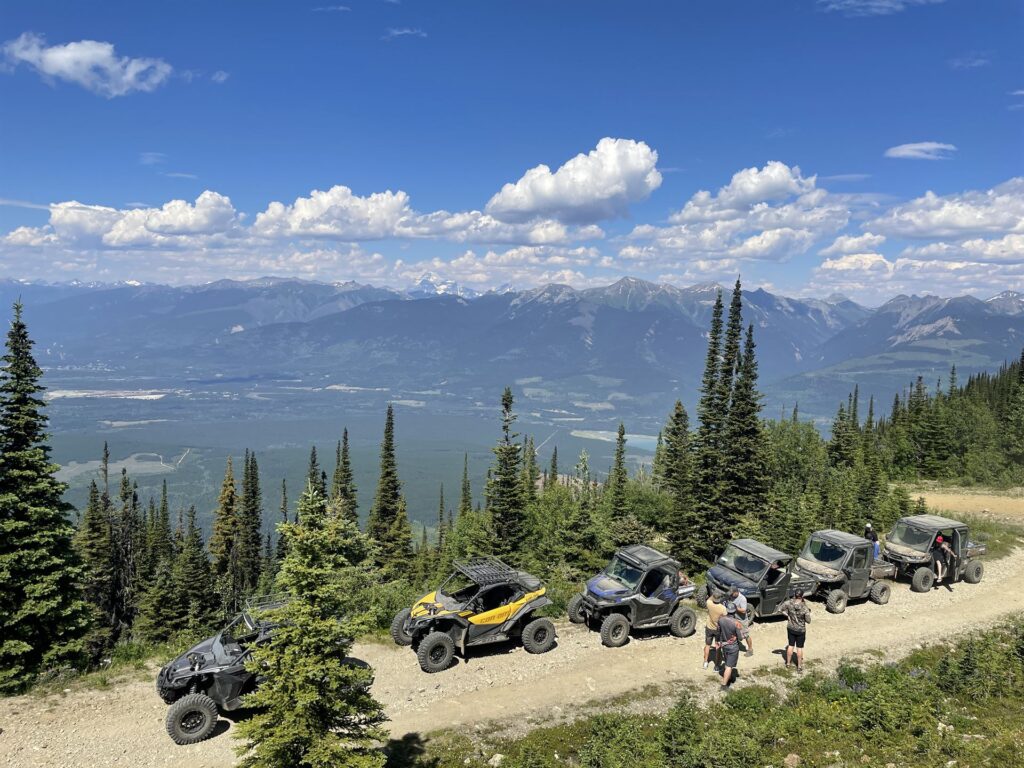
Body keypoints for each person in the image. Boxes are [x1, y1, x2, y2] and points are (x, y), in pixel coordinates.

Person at [715, 601, 749, 689]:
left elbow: (718, 632)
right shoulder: (736, 623)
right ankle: (724, 685)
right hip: (733, 647)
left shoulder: (721, 619)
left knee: (727, 663)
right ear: (735, 612)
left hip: (724, 645)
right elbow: (741, 638)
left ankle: (729, 677)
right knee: (729, 666)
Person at [778, 589, 811, 672]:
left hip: (791, 628)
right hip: (800, 630)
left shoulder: (789, 603)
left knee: (790, 645)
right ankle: (799, 666)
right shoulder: (804, 607)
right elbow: (808, 621)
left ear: (794, 595)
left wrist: (788, 615)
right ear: (802, 596)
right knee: (799, 648)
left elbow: (780, 609)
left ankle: (788, 663)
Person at [703, 589, 727, 670]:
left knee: (707, 645)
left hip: (709, 628)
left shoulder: (709, 603)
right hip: (717, 629)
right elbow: (724, 619)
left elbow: (709, 599)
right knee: (717, 647)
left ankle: (705, 662)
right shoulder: (723, 608)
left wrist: (713, 593)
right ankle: (716, 666)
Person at [728, 586, 754, 656]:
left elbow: (743, 610)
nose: (731, 595)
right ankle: (735, 647)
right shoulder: (732, 596)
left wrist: (735, 608)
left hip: (742, 620)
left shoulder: (742, 599)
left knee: (745, 635)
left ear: (736, 592)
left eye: (732, 594)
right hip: (734, 618)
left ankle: (750, 650)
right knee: (733, 633)